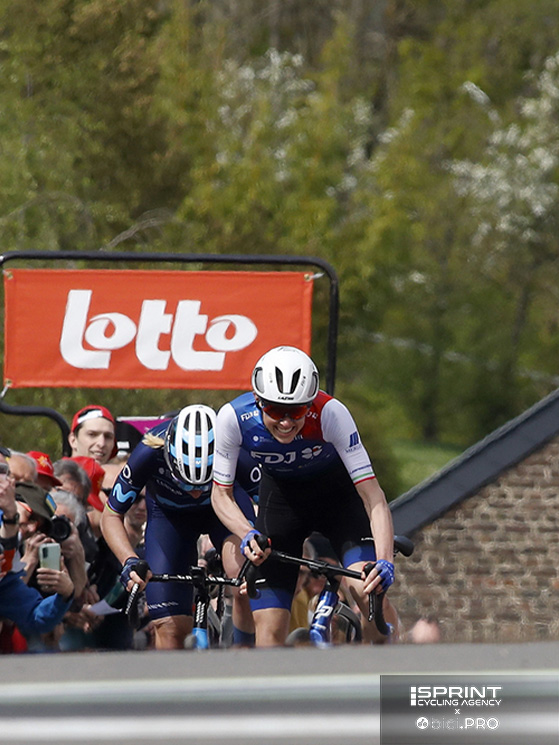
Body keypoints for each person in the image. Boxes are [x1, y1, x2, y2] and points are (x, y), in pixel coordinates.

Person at [211, 345, 398, 647]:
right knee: (269, 630)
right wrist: (247, 533)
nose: (286, 422)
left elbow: (373, 496)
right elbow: (221, 494)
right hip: (281, 504)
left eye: (296, 411)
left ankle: (394, 661)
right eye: (275, 411)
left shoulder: (330, 413)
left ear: (309, 403)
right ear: (258, 401)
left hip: (338, 501)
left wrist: (385, 561)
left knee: (367, 592)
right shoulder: (233, 418)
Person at [101, 405, 257, 650]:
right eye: (184, 482)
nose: (194, 493)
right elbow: (110, 515)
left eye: (203, 483)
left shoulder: (237, 448)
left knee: (244, 580)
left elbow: (273, 506)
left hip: (224, 511)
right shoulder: (148, 451)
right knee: (170, 628)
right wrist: (129, 560)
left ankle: (248, 654)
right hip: (169, 518)